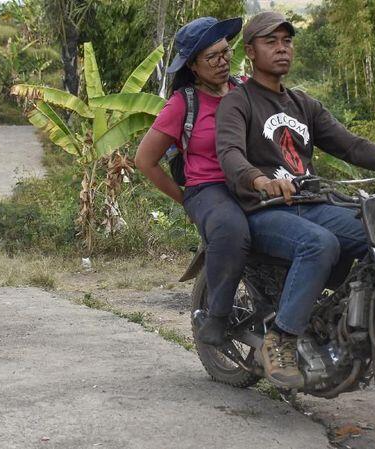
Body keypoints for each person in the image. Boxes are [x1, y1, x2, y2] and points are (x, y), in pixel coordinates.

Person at [216, 12, 375, 388]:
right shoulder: (238, 102)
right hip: (264, 210)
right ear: (251, 52)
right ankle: (281, 339)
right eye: (271, 42)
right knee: (319, 244)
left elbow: (351, 145)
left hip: (313, 204)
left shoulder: (303, 104)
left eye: (287, 41)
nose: (281, 48)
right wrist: (261, 180)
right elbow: (229, 153)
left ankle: (350, 329)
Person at [135, 16, 246, 346]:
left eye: (225, 52)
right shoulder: (183, 103)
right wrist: (185, 200)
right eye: (212, 57)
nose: (222, 61)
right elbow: (145, 160)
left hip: (250, 182)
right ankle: (217, 317)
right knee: (231, 228)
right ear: (193, 66)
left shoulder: (245, 91)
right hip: (208, 188)